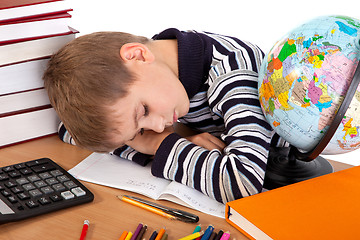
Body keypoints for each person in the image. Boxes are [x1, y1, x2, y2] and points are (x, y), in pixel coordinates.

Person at [43, 28, 286, 204]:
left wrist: (163, 146)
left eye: (144, 111)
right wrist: (136, 139)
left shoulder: (234, 71)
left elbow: (241, 183)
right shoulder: (159, 69)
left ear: (138, 56)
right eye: (140, 130)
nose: (158, 128)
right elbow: (68, 131)